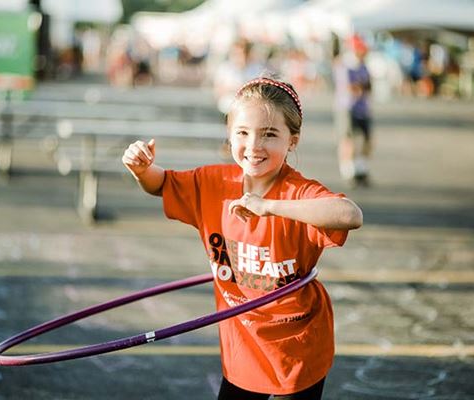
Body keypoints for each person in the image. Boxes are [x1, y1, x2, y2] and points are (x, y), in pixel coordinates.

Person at [122, 76, 363, 399]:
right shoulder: (212, 183)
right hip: (243, 350)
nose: (254, 146)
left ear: (292, 140)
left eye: (270, 134)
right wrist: (141, 170)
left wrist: (270, 207)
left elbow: (350, 215)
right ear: (229, 135)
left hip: (296, 352)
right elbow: (161, 184)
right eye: (243, 133)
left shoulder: (298, 192)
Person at [333, 34, 373, 187]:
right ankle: (348, 171)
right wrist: (361, 86)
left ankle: (361, 169)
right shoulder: (343, 65)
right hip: (346, 107)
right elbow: (349, 88)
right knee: (347, 140)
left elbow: (367, 86)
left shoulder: (363, 65)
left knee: (368, 140)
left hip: (362, 108)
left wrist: (361, 86)